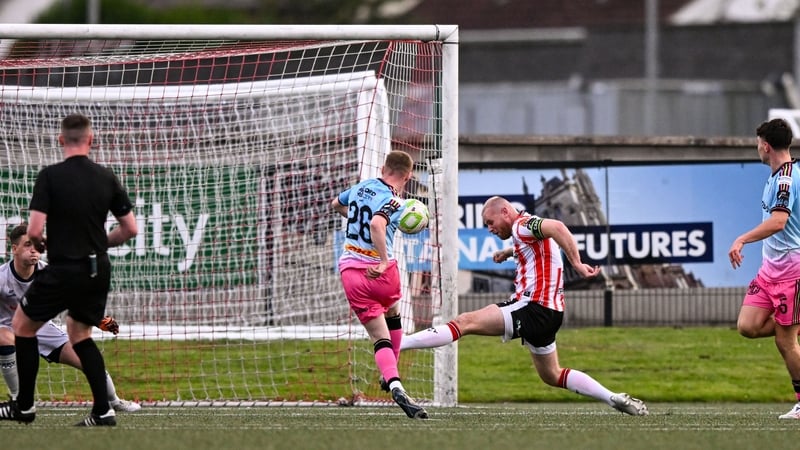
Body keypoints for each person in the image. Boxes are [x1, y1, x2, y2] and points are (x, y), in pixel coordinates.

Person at [400, 196, 649, 416]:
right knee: (552, 375)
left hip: (533, 307)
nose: (490, 229)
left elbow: (558, 227)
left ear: (505, 212)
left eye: (490, 222)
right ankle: (613, 398)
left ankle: (399, 344)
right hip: (551, 314)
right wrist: (509, 252)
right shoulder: (525, 231)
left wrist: (576, 263)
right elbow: (539, 242)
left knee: (464, 322)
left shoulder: (523, 225)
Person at [0, 113, 137, 426]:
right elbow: (130, 228)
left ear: (61, 140)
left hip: (65, 267)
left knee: (22, 326)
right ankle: (103, 411)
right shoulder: (107, 177)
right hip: (97, 268)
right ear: (91, 140)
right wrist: (99, 245)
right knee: (81, 336)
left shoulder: (50, 176)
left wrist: (43, 242)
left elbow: (35, 230)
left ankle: (24, 406)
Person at [0, 223, 140, 414]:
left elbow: (76, 297)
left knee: (86, 359)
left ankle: (115, 401)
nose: (34, 249)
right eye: (27, 245)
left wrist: (98, 319)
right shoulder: (2, 277)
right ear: (14, 249)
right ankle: (19, 401)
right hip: (7, 328)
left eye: (36, 244)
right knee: (4, 338)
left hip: (41, 328)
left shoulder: (49, 273)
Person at [331, 150, 428, 419]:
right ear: (407, 177)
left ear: (384, 168)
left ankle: (394, 383)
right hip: (382, 273)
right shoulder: (395, 201)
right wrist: (384, 261)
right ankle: (391, 375)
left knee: (378, 337)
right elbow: (376, 224)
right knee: (393, 313)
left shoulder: (360, 187)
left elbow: (335, 204)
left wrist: (354, 220)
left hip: (352, 273)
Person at [728, 118, 800, 420]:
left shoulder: (786, 180)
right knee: (748, 326)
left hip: (792, 273)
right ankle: (795, 319)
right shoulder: (778, 176)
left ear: (766, 146)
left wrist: (742, 238)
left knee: (785, 340)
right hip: (770, 272)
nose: (757, 148)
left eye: (758, 143)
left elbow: (779, 221)